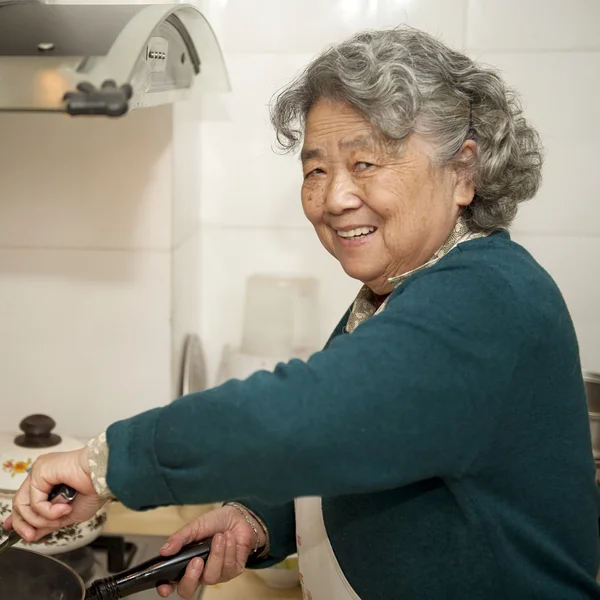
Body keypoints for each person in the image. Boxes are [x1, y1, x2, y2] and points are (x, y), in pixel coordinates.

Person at [5, 27, 600, 600]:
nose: (335, 197)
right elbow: (371, 450)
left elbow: (307, 417)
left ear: (462, 172)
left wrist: (106, 463)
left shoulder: (484, 300)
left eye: (366, 163)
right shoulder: (402, 287)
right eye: (316, 169)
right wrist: (260, 518)